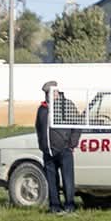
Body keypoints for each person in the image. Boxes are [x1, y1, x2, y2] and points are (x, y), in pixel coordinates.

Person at [35, 80, 78, 214]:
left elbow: (77, 125)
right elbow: (39, 127)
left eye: (54, 92)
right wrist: (42, 145)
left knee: (67, 179)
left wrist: (72, 144)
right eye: (49, 93)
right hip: (48, 151)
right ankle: (54, 205)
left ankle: (69, 205)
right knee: (51, 180)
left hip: (64, 150)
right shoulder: (42, 109)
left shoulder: (67, 105)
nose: (52, 94)